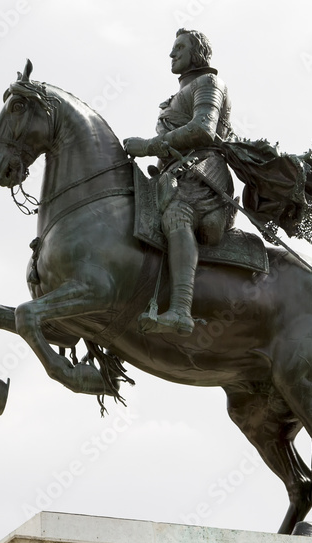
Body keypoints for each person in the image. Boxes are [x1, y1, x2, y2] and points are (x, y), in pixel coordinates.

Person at [124, 29, 234, 336]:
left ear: (197, 53)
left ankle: (181, 311)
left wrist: (147, 147)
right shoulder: (174, 98)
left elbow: (203, 129)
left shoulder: (209, 83)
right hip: (177, 172)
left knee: (177, 214)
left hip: (204, 176)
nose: (172, 54)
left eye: (180, 47)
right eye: (172, 48)